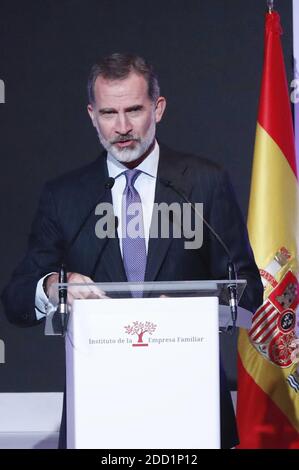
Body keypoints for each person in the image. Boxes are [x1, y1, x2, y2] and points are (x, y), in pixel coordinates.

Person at [1, 53, 263, 448]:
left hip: (190, 409)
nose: (121, 127)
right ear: (91, 114)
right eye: (108, 113)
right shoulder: (65, 197)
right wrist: (56, 286)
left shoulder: (204, 184)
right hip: (99, 412)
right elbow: (17, 298)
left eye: (134, 110)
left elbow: (249, 290)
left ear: (158, 108)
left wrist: (189, 305)